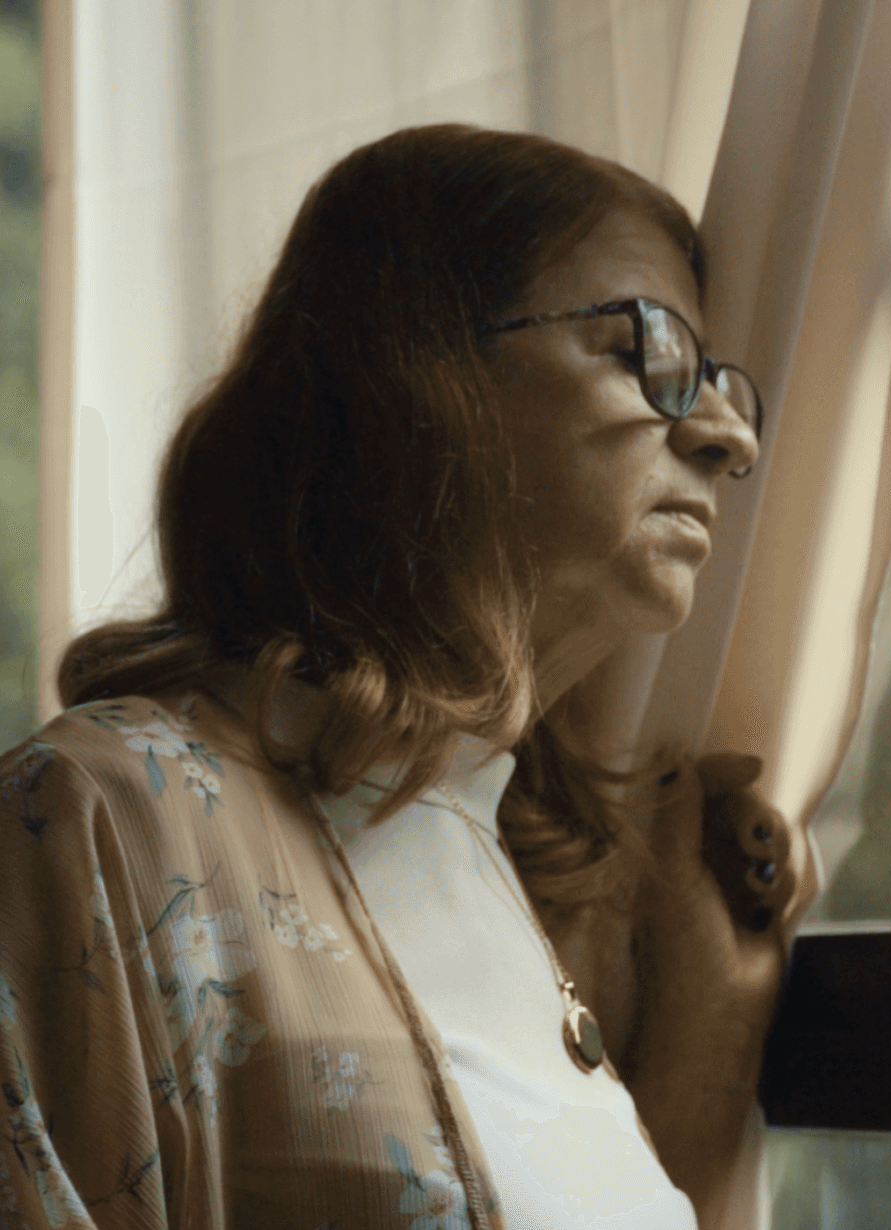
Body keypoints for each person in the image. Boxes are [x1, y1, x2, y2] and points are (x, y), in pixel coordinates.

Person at [0, 124, 812, 1230]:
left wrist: (718, 1007)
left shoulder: (502, 876)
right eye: (646, 350)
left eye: (719, 381)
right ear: (417, 374)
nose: (728, 437)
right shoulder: (94, 814)